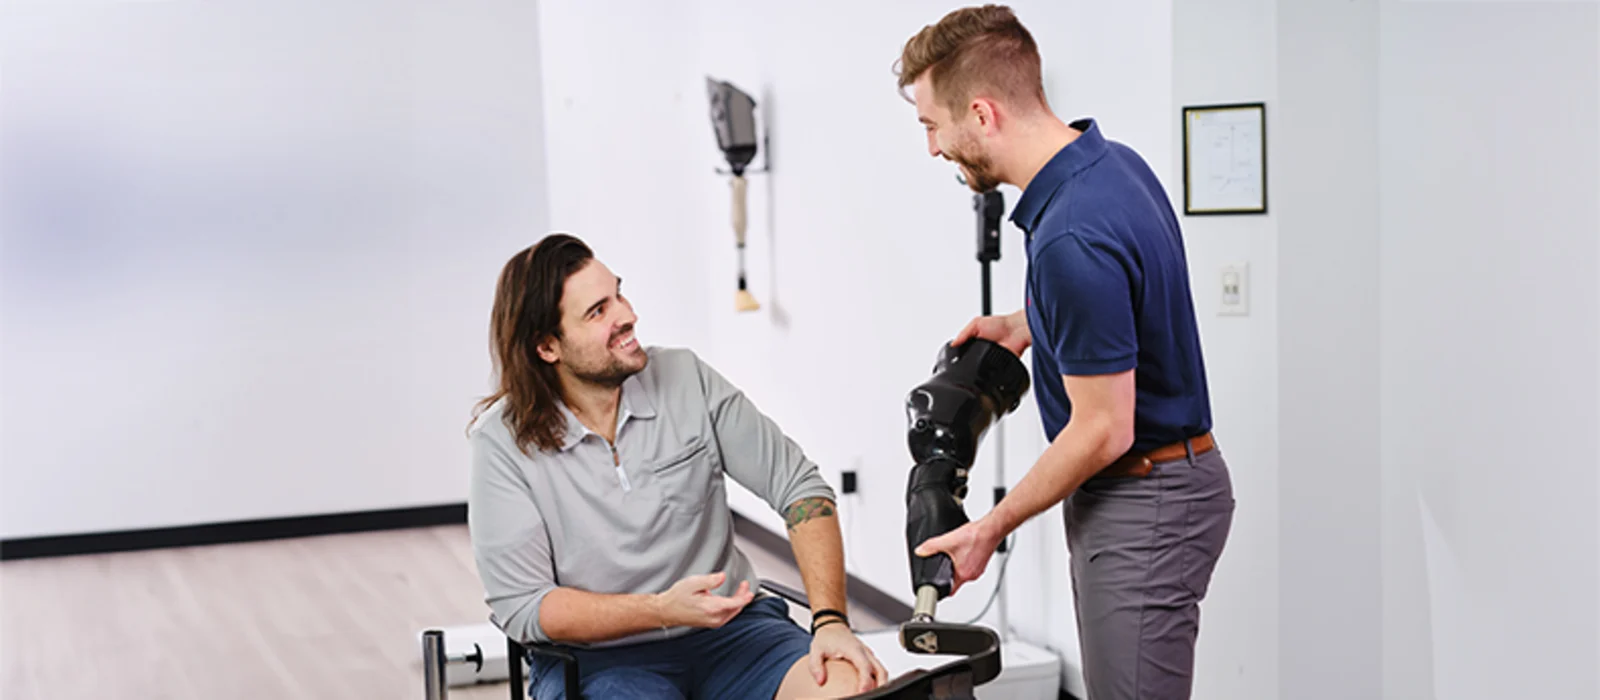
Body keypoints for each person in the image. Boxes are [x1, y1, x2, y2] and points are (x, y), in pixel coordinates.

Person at [895, 6, 1235, 700]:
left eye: (933, 125)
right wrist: (1029, 323)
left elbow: (1104, 427)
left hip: (1146, 501)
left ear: (983, 114)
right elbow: (1128, 299)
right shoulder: (1110, 167)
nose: (931, 148)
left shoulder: (1068, 240)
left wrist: (990, 527)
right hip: (1160, 486)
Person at [466, 233, 888, 699]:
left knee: (851, 688)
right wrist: (663, 610)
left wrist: (830, 622)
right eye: (598, 311)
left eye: (618, 294)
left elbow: (800, 487)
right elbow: (525, 607)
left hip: (736, 635)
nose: (627, 316)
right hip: (598, 662)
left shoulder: (684, 377)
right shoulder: (501, 443)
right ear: (548, 348)